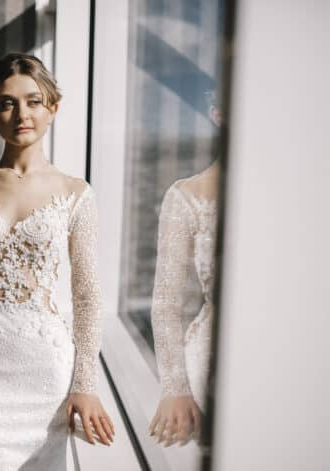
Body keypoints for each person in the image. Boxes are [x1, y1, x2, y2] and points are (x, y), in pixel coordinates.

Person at [0, 53, 114, 470]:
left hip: (48, 375)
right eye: (8, 102)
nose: (21, 114)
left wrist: (85, 385)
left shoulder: (76, 194)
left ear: (53, 107)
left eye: (33, 101)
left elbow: (87, 297)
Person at [148, 95, 221, 446]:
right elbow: (166, 302)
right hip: (214, 357)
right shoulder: (186, 196)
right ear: (216, 114)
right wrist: (174, 387)